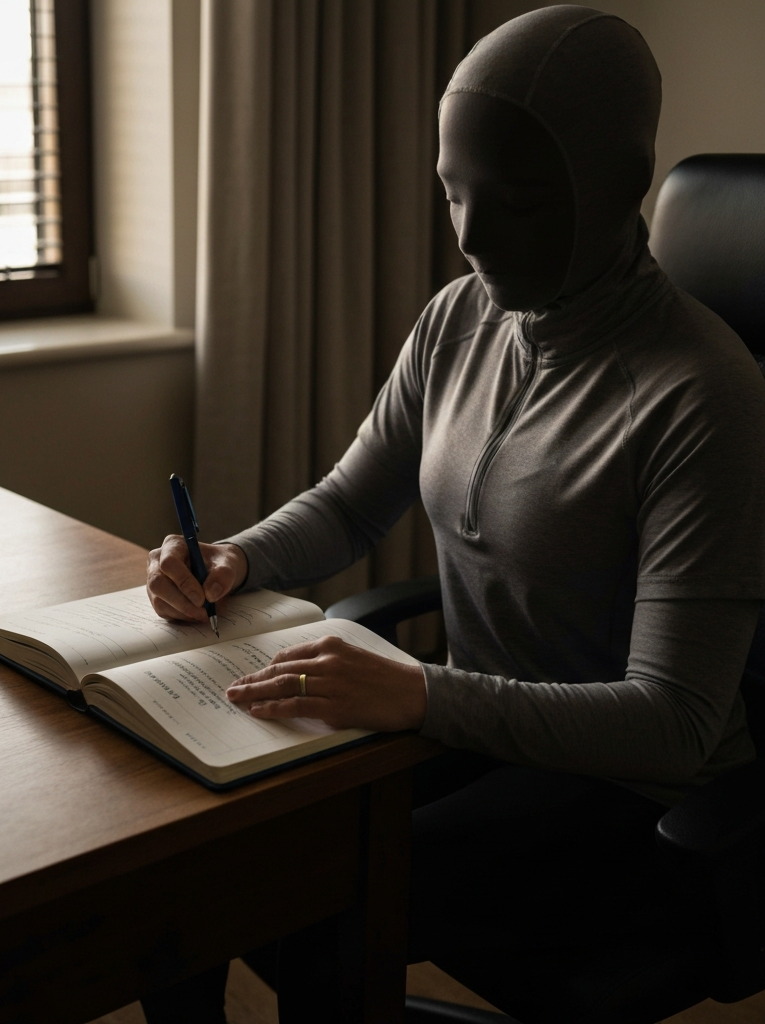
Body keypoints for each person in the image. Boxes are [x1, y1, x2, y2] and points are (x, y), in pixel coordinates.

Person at [143, 6, 765, 1022]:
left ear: (609, 190)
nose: (472, 237)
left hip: (626, 795)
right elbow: (350, 502)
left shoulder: (702, 392)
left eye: (517, 200)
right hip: (481, 733)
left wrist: (422, 694)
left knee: (302, 902)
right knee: (205, 846)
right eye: (452, 194)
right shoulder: (459, 317)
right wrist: (234, 559)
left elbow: (673, 723)